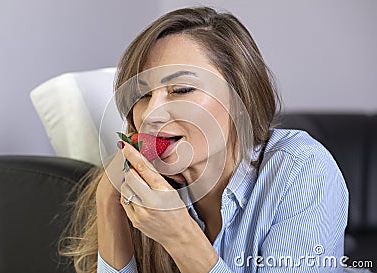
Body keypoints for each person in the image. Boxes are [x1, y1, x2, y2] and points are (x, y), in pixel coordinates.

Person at [59, 7, 351, 273]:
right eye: (142, 95)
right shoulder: (138, 193)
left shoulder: (302, 169)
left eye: (182, 89)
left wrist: (179, 235)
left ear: (239, 99)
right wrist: (108, 202)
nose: (150, 115)